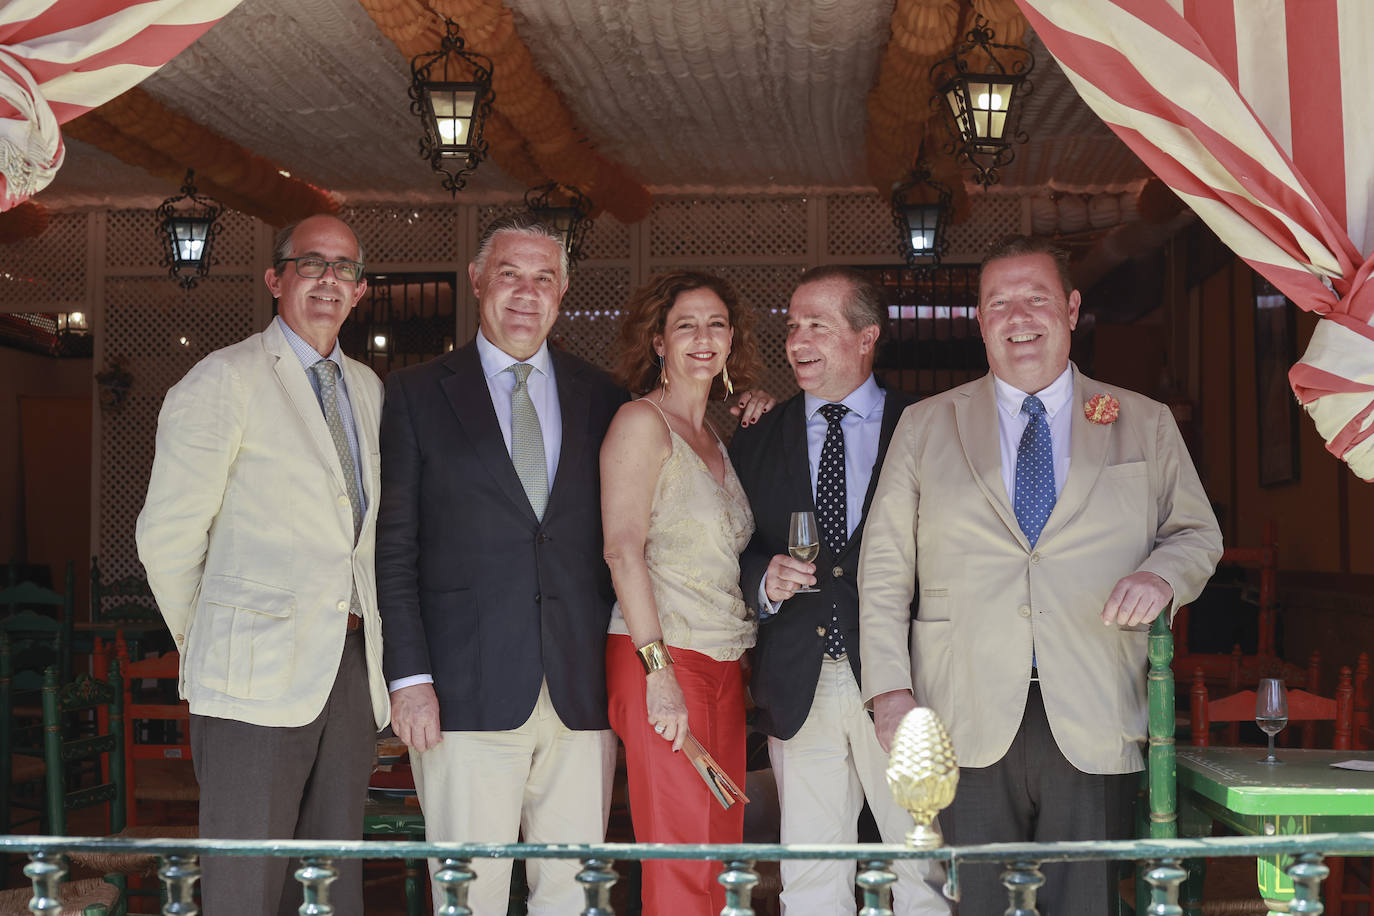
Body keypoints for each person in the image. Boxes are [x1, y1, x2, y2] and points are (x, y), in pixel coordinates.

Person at [859, 235, 1223, 915]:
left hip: (1095, 700)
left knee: (1084, 902)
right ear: (979, 320)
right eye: (999, 303)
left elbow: (1197, 533)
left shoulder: (1142, 421)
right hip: (962, 706)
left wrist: (1162, 576)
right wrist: (889, 693)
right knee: (980, 903)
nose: (1018, 317)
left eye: (1036, 298)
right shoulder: (924, 426)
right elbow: (883, 570)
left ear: (1072, 308)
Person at [136, 214, 390, 916]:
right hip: (249, 671)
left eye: (344, 268)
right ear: (276, 279)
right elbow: (167, 536)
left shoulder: (367, 389)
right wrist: (213, 638)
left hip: (349, 667)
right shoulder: (224, 378)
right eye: (311, 263)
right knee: (246, 886)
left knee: (331, 884)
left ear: (360, 291)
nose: (328, 279)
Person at [376, 214, 625, 915]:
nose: (526, 292)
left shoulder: (605, 396)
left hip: (580, 690)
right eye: (510, 274)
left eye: (544, 278)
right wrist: (410, 679)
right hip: (462, 692)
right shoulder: (415, 393)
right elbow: (394, 547)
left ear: (563, 292)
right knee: (468, 895)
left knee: (573, 894)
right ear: (478, 281)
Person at [730, 266, 948, 915]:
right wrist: (761, 579)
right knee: (810, 879)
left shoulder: (928, 424)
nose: (797, 341)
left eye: (818, 326)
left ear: (866, 336)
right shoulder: (757, 434)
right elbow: (732, 544)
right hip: (799, 680)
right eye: (793, 326)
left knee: (922, 871)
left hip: (904, 680)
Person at [601, 270, 763, 915]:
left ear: (732, 339)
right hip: (661, 658)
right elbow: (622, 549)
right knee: (681, 862)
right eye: (685, 325)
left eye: (716, 324)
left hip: (724, 662)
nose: (703, 337)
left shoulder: (716, 434)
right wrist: (658, 671)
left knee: (721, 857)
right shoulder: (641, 422)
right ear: (658, 341)